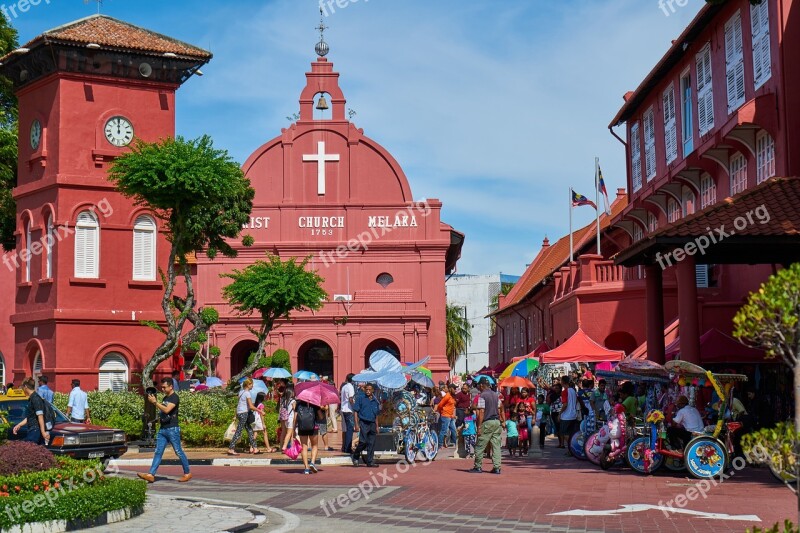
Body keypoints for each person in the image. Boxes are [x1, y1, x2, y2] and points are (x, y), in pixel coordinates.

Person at [137, 378, 192, 483]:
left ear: (171, 386)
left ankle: (187, 473)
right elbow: (163, 411)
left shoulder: (175, 397)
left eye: (164, 387)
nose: (162, 389)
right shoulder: (165, 397)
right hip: (163, 429)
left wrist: (155, 402)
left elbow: (167, 410)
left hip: (172, 429)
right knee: (158, 452)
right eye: (161, 387)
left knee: (178, 451)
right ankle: (151, 474)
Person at [469, 379, 504, 474]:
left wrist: (479, 426)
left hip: (487, 422)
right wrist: (503, 420)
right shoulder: (496, 395)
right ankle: (497, 467)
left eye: (478, 386)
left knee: (480, 445)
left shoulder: (482, 395)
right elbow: (501, 407)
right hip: (496, 422)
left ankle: (478, 466)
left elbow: (481, 411)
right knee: (496, 446)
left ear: (481, 385)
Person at [12, 378, 51, 445]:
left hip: (35, 430)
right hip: (32, 430)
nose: (23, 389)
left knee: (28, 449)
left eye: (23, 387)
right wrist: (19, 425)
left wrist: (43, 432)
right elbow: (30, 416)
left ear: (26, 387)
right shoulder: (32, 398)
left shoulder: (35, 398)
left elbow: (40, 416)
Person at [352, 383, 381, 467]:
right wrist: (356, 424)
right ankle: (356, 456)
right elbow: (356, 411)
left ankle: (370, 461)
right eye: (366, 389)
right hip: (364, 422)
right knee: (363, 441)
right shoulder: (360, 398)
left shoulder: (375, 401)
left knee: (371, 443)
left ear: (372, 390)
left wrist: (377, 426)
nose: (368, 391)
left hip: (372, 423)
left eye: (369, 390)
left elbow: (376, 415)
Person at [228, 378, 259, 455]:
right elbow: (251, 406)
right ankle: (231, 448)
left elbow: (238, 405)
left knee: (249, 430)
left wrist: (235, 415)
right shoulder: (247, 393)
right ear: (248, 385)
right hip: (244, 413)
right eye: (251, 384)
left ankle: (255, 448)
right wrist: (260, 411)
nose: (252, 386)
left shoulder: (241, 392)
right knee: (239, 431)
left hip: (240, 413)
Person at [295, 399, 321, 474]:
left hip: (302, 427)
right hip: (313, 427)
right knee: (314, 446)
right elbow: (321, 417)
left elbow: (295, 417)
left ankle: (306, 468)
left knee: (304, 446)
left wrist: (293, 428)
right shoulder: (315, 402)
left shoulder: (299, 403)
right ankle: (312, 462)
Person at [558, 375, 579, 452]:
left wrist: (560, 413)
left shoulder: (565, 391)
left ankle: (571, 449)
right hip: (573, 415)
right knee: (571, 433)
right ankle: (572, 449)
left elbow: (565, 404)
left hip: (566, 416)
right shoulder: (573, 390)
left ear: (563, 382)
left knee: (565, 433)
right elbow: (576, 401)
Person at [436, 384, 457, 448]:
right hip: (445, 416)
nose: (455, 390)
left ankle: (454, 442)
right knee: (443, 430)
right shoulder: (447, 396)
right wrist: (441, 411)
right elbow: (439, 405)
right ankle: (440, 444)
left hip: (450, 416)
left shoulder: (451, 396)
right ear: (450, 389)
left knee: (453, 430)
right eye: (454, 388)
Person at [340, 374, 356, 453]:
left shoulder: (344, 387)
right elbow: (351, 398)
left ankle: (345, 447)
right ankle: (347, 448)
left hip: (343, 409)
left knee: (346, 429)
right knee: (350, 429)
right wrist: (355, 407)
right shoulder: (350, 387)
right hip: (349, 410)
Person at [280, 386, 297, 450]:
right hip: (290, 418)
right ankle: (284, 447)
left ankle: (282, 446)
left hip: (285, 418)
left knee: (285, 432)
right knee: (289, 433)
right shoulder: (293, 401)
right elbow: (295, 409)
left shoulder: (283, 400)